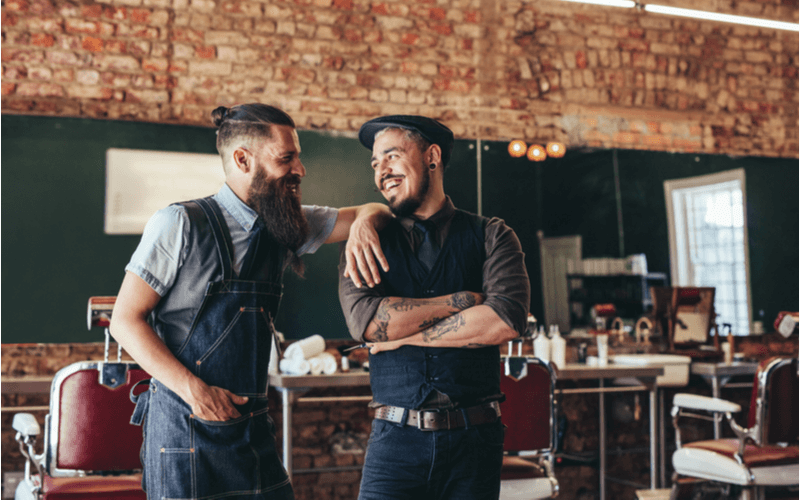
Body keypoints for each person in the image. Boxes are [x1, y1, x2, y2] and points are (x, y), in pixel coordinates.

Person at [110, 103, 392, 500]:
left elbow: (375, 209)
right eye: (287, 157)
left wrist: (363, 223)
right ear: (243, 159)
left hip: (250, 429)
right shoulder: (180, 223)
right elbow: (125, 320)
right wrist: (196, 391)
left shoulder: (287, 226)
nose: (300, 169)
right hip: (185, 428)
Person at [338, 115, 531, 500]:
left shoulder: (493, 235)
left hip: (474, 442)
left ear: (432, 156)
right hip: (394, 442)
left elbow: (505, 320)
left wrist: (401, 338)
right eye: (376, 163)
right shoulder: (365, 242)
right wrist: (464, 302)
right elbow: (371, 325)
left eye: (391, 156)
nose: (382, 171)